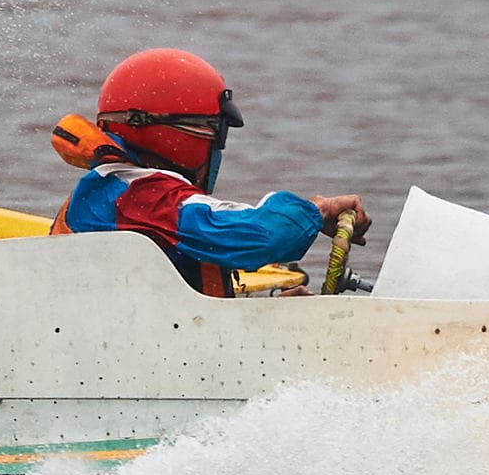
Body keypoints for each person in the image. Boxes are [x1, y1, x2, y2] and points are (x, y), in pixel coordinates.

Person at [48, 46, 367, 295]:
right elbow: (263, 236)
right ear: (182, 134)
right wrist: (318, 210)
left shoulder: (112, 185)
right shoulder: (147, 199)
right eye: (218, 133)